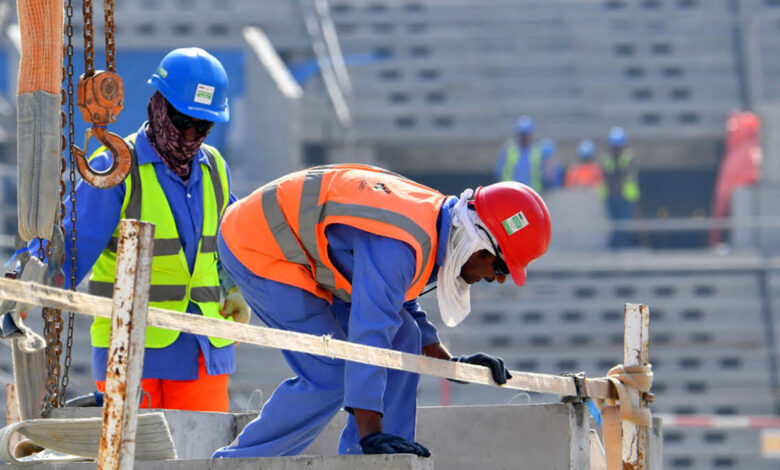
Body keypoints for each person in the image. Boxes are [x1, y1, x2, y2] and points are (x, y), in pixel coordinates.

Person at [212, 164, 552, 458]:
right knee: (330, 376)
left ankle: (383, 459)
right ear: (479, 244)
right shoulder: (402, 244)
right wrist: (370, 430)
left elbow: (397, 305)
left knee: (406, 336)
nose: (499, 279)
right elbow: (370, 330)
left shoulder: (434, 226)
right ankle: (238, 463)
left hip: (295, 248)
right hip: (257, 245)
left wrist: (451, 365)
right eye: (501, 266)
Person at [36, 47, 248, 411]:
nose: (191, 134)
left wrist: (236, 288)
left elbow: (232, 239)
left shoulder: (215, 168)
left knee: (203, 454)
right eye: (183, 121)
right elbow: (69, 246)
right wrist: (25, 285)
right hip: (130, 347)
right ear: (158, 105)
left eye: (204, 126)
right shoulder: (117, 167)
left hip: (204, 347)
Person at [600, 127, 640, 248]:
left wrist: (617, 185)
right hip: (611, 197)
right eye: (614, 147)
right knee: (614, 224)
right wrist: (614, 188)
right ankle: (615, 247)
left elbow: (625, 175)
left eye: (618, 147)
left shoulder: (629, 158)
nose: (616, 150)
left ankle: (621, 246)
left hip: (627, 197)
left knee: (625, 223)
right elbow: (607, 177)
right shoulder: (607, 159)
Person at [495, 115, 544, 192]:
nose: (524, 137)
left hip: (532, 193)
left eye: (526, 135)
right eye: (522, 134)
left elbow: (542, 174)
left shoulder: (536, 152)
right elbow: (500, 170)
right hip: (511, 192)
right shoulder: (509, 150)